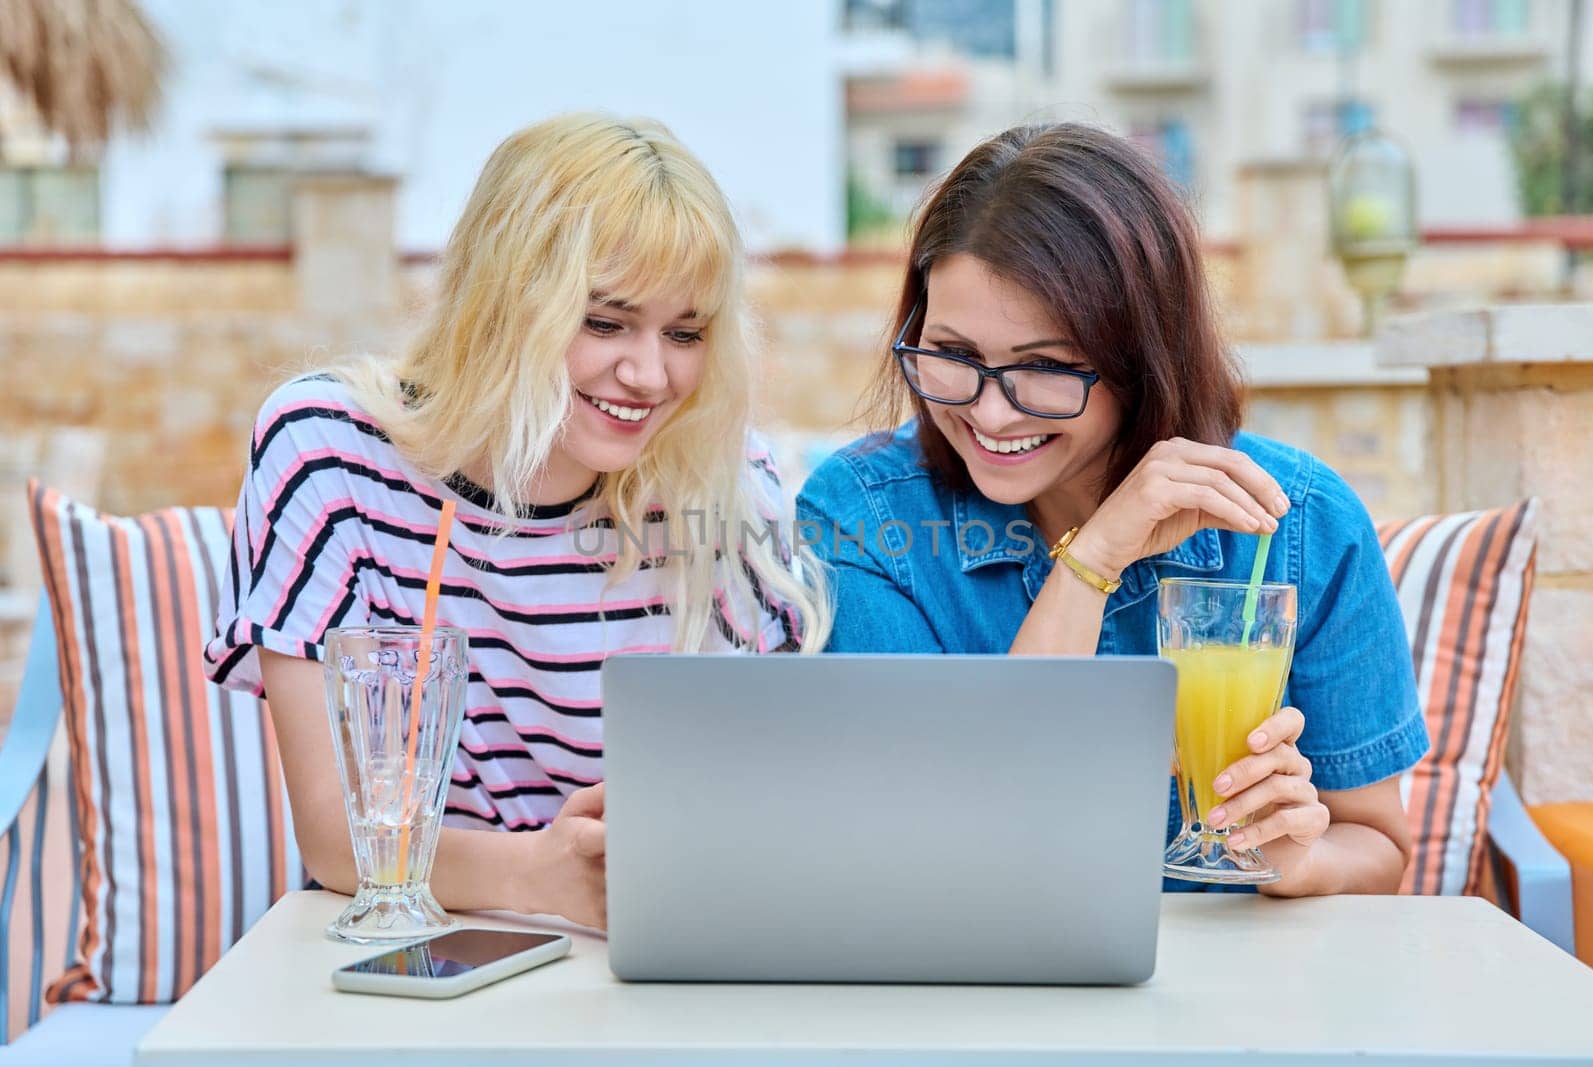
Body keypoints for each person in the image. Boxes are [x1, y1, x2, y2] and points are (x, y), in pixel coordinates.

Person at [204, 114, 831, 929]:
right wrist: (538, 874)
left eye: (686, 333)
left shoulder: (718, 479)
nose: (649, 374)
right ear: (504, 300)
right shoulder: (329, 451)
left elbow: (758, 810)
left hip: (648, 957)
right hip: (433, 952)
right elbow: (333, 839)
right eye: (604, 321)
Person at [797, 123, 1427, 896]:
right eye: (954, 356)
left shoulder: (1302, 523)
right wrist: (1091, 562)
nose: (992, 416)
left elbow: (1381, 847)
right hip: (967, 994)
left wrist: (1296, 858)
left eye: (1048, 368)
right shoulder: (864, 518)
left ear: (1146, 359)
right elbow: (947, 836)